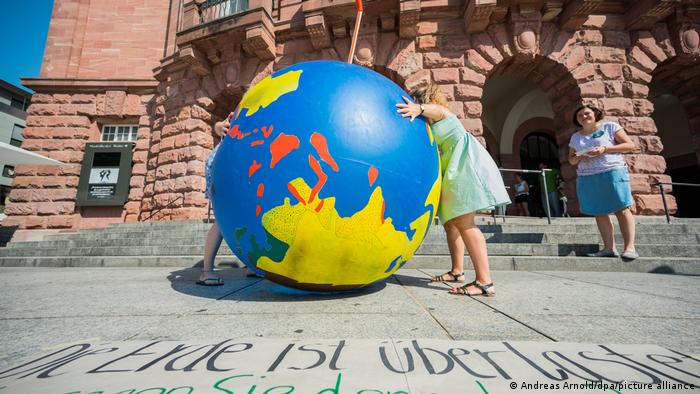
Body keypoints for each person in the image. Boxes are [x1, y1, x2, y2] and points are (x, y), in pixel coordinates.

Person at [396, 85, 510, 296]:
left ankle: (485, 282)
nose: (412, 104)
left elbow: (439, 111)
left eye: (415, 100)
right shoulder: (429, 124)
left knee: (465, 223)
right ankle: (457, 272)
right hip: (452, 171)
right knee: (452, 225)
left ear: (424, 100)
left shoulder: (441, 113)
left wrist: (418, 109)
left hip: (464, 168)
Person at [197, 113, 261, 285]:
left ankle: (250, 265)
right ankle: (206, 271)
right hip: (224, 167)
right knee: (221, 219)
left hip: (241, 168)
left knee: (247, 218)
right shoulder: (245, 109)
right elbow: (222, 124)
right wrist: (218, 127)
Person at [568, 105, 639, 260]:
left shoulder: (610, 126)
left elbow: (630, 145)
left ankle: (630, 247)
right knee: (599, 212)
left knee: (622, 208)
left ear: (595, 114)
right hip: (588, 176)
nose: (583, 117)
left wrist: (604, 149)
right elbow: (571, 160)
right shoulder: (575, 137)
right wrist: (580, 157)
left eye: (587, 113)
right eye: (580, 115)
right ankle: (609, 248)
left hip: (612, 171)